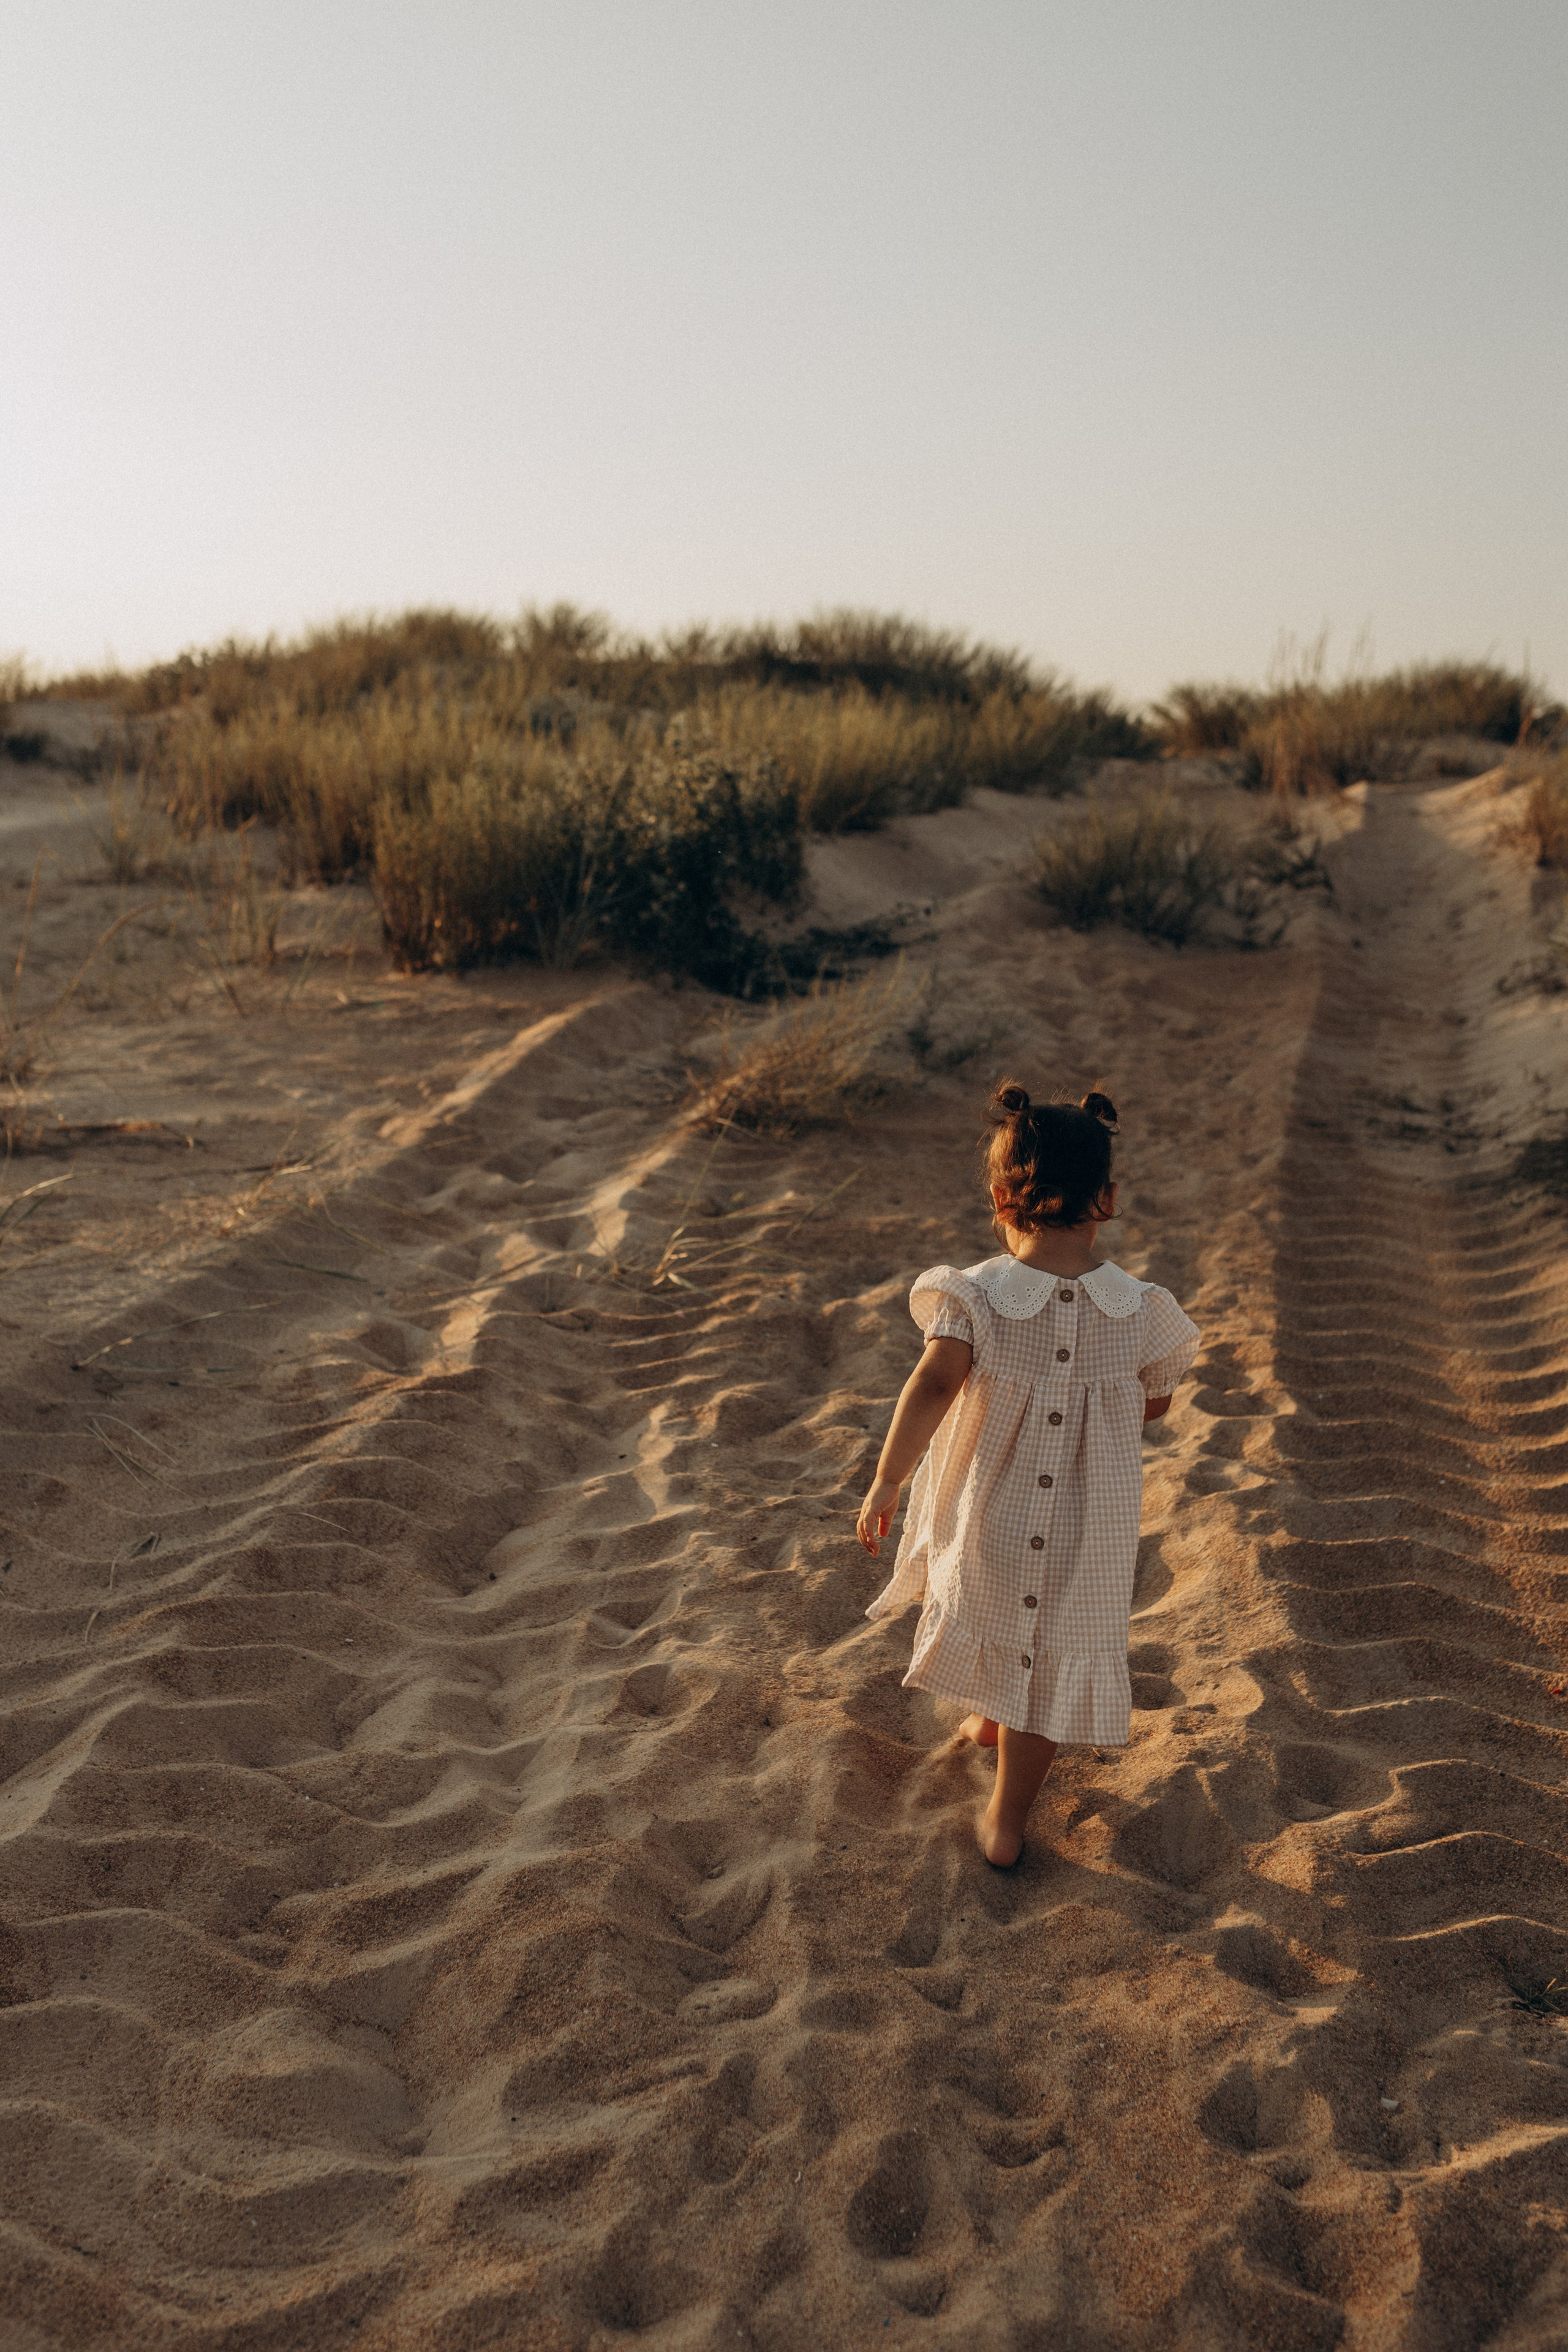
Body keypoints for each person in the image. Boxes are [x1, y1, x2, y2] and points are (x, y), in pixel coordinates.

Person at [856, 1082, 1199, 1868]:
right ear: (1106, 1198)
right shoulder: (1141, 1310)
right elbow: (1153, 1406)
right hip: (1091, 1523)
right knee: (1053, 1653)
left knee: (996, 1607)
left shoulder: (974, 1298)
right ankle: (1007, 1820)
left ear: (1002, 1198)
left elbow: (934, 1387)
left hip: (993, 1514)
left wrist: (888, 1480)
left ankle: (990, 1726)